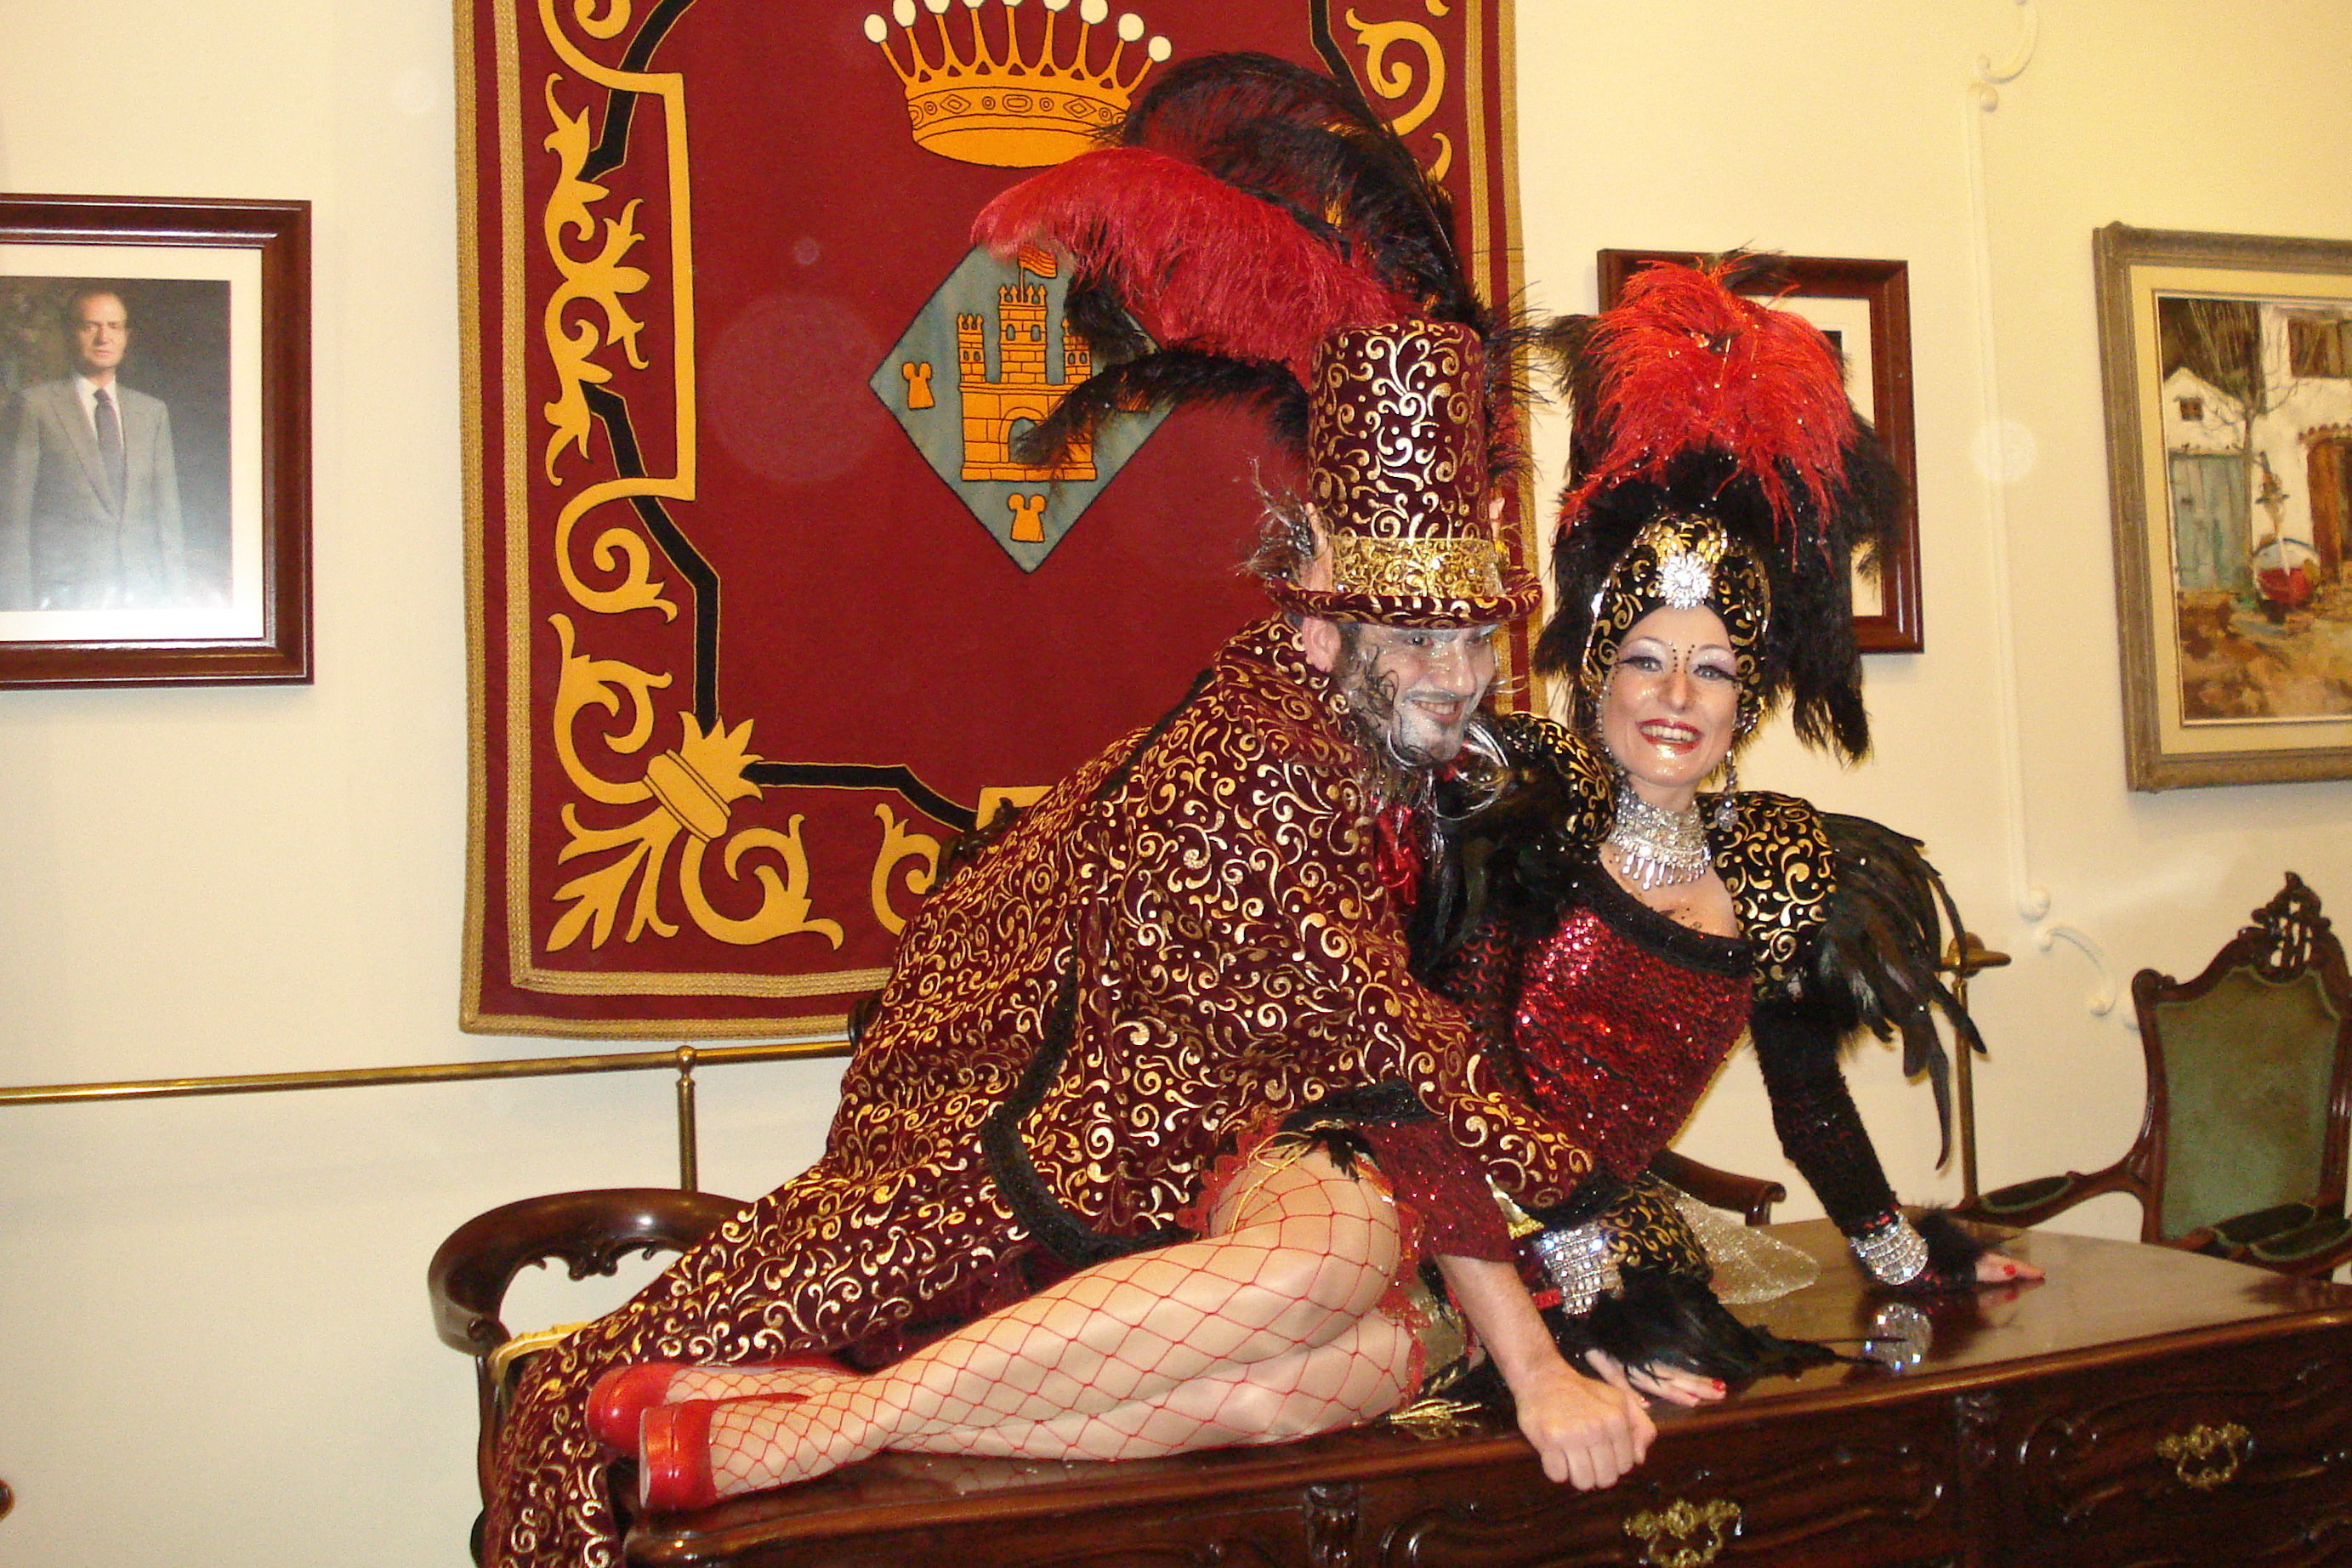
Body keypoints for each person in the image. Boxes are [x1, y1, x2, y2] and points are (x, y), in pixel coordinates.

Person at [480, 58, 1656, 1566]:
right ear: (1314, 615)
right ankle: (825, 1415)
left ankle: (818, 1419)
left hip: (1226, 1157)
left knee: (1366, 1355)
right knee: (1325, 1272)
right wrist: (1585, 1213)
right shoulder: (1243, 770)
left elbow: (1388, 1086)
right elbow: (1399, 1046)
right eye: (1411, 637)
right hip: (1040, 1163)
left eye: (1475, 633)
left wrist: (1551, 1335)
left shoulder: (1410, 769)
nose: (1455, 675)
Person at [0, 286, 187, 610]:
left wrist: (179, 605)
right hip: (63, 602)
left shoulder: (151, 413)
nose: (104, 338)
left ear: (126, 337)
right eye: (90, 326)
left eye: (114, 326)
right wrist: (18, 614)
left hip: (143, 600)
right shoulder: (35, 407)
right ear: (69, 333)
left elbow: (168, 522)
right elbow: (13, 524)